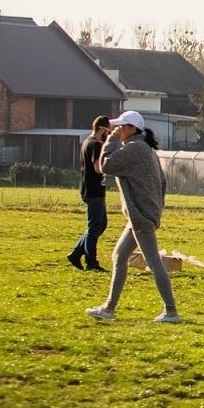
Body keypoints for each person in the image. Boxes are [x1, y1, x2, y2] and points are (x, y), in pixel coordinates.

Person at [85, 112, 179, 324]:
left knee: (154, 262)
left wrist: (111, 140)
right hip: (141, 214)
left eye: (120, 127)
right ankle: (109, 308)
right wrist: (157, 211)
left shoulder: (135, 149)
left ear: (131, 128)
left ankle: (171, 311)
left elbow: (106, 166)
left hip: (140, 215)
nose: (116, 130)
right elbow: (162, 183)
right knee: (119, 256)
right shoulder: (145, 149)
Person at [67, 115, 112, 271]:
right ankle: (91, 263)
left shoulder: (86, 142)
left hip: (90, 189)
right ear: (102, 129)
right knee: (94, 228)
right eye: (109, 132)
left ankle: (76, 253)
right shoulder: (97, 145)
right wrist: (110, 166)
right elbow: (97, 168)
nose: (109, 135)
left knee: (101, 225)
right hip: (94, 190)